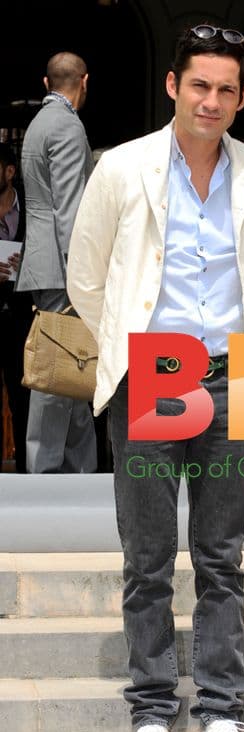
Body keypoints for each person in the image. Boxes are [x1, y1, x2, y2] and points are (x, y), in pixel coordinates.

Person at [67, 25, 244, 732]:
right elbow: (85, 277)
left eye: (226, 90)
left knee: (222, 555)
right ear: (173, 87)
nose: (212, 101)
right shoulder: (122, 168)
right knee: (149, 555)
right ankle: (153, 711)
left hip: (231, 374)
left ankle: (222, 713)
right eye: (200, 86)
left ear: (242, 97)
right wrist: (130, 354)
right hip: (154, 374)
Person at [16, 52, 97, 473]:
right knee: (55, 371)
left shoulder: (39, 123)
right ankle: (45, 471)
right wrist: (82, 271)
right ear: (84, 82)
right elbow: (70, 208)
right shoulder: (65, 124)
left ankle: (78, 470)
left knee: (72, 364)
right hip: (62, 267)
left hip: (45, 261)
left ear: (47, 84)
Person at [0, 143, 33, 472]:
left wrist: (31, 261)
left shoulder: (32, 211)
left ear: (9, 172)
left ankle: (26, 477)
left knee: (24, 400)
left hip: (23, 320)